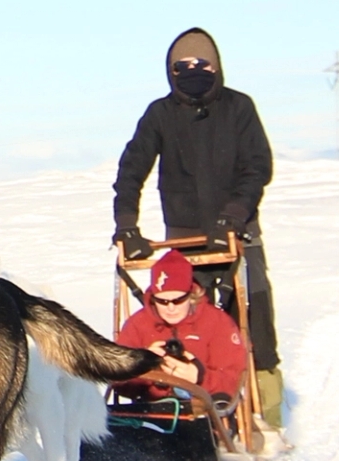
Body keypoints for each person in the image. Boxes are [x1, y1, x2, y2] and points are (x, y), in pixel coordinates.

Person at [110, 25, 284, 435]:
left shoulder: (239, 108)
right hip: (184, 240)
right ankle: (185, 413)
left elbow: (257, 166)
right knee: (183, 323)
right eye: (182, 66)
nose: (192, 71)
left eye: (201, 64)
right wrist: (126, 226)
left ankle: (265, 419)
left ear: (217, 67)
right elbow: (131, 168)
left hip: (237, 235)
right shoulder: (160, 114)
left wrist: (234, 214)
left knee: (254, 324)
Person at [84, 250, 242, 461]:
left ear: (191, 294)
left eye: (177, 300)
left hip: (201, 417)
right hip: (150, 414)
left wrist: (197, 376)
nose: (169, 308)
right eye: (162, 301)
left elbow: (231, 379)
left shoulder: (217, 323)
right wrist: (142, 363)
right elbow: (118, 380)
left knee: (196, 419)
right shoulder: (138, 325)